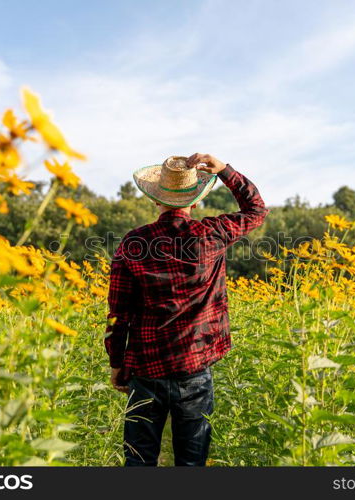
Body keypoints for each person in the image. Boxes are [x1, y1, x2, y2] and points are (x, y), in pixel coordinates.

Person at [104, 153, 267, 466]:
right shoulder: (212, 234)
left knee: (139, 461)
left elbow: (118, 313)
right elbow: (256, 210)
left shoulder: (133, 243)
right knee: (191, 463)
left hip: (146, 369)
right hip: (194, 367)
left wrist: (117, 363)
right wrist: (224, 171)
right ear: (195, 201)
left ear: (156, 200)